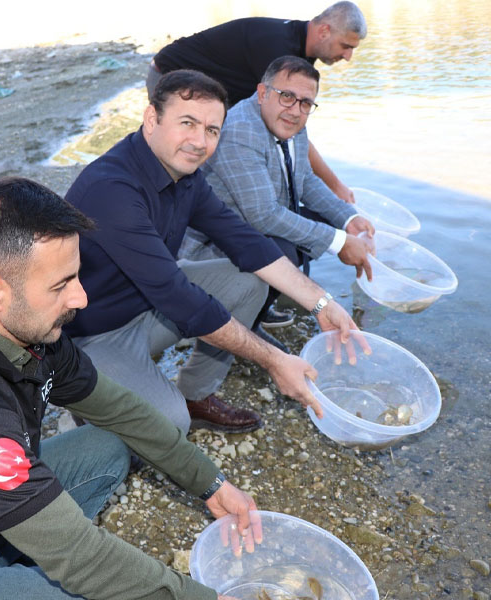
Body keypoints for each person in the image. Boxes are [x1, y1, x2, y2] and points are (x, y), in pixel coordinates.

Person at [0, 177, 259, 600]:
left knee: (106, 446)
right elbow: (82, 556)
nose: (81, 298)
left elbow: (121, 410)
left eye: (76, 276)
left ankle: (26, 553)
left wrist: (211, 483)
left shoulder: (33, 336)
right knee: (77, 584)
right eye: (61, 285)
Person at [64, 70, 364, 437]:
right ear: (151, 119)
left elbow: (245, 241)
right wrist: (275, 361)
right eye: (187, 123)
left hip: (148, 307)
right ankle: (86, 406)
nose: (198, 141)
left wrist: (322, 303)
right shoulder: (112, 189)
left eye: (211, 130)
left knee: (250, 282)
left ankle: (195, 396)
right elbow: (181, 299)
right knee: (168, 426)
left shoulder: (185, 173)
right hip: (93, 335)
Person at [179, 56, 375, 330]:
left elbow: (304, 178)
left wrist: (347, 219)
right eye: (286, 96)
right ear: (262, 93)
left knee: (323, 224)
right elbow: (264, 216)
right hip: (205, 249)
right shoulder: (239, 132)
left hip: (246, 226)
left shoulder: (291, 121)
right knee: (283, 249)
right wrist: (339, 243)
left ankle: (255, 314)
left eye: (305, 103)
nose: (295, 111)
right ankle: (235, 322)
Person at [146, 1, 367, 203]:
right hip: (173, 77)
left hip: (218, 92)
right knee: (188, 155)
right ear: (324, 31)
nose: (348, 56)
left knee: (246, 153)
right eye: (346, 46)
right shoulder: (278, 48)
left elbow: (288, 134)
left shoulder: (300, 50)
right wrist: (336, 186)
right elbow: (291, 129)